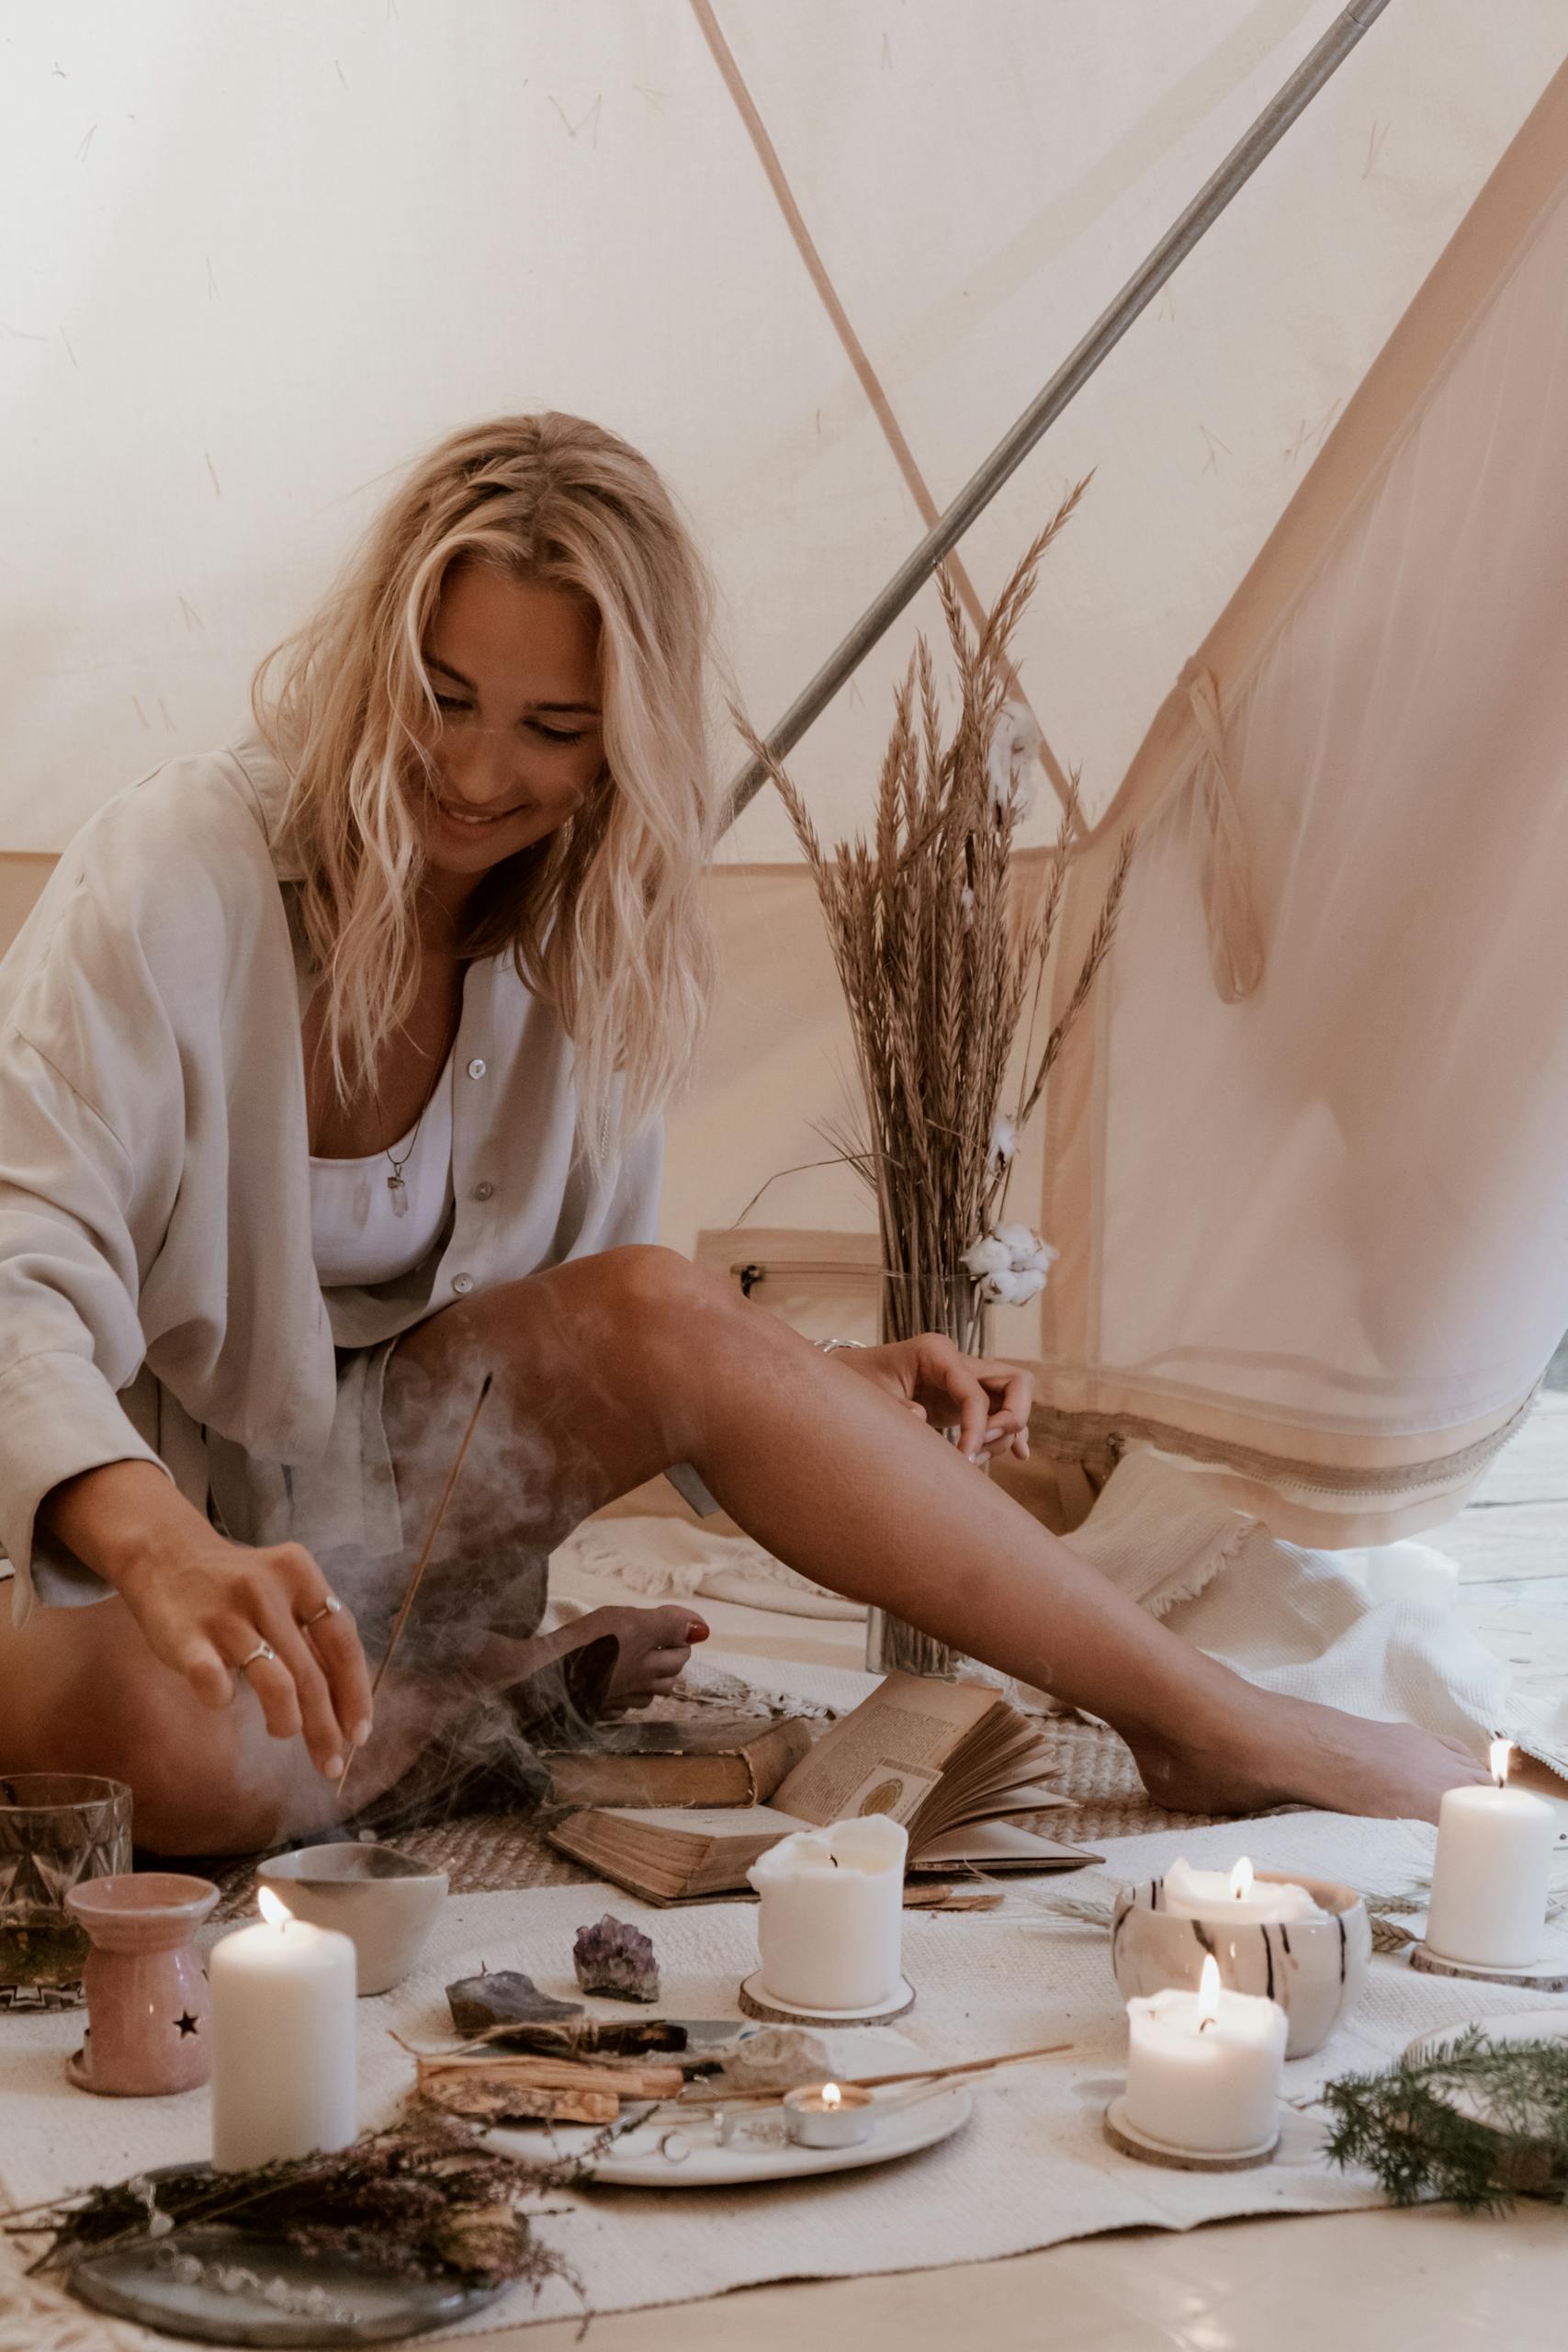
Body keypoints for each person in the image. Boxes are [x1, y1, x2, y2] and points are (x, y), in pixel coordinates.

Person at [0, 413, 1484, 1857]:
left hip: (371, 1512)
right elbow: (14, 1270)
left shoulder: (595, 936)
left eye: (551, 729)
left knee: (664, 1305)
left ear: (620, 745)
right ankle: (478, 1699)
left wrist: (801, 1385)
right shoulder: (176, 870)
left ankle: (1203, 1715)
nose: (472, 771)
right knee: (173, 1763)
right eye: (440, 697)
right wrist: (158, 1547)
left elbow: (587, 1344)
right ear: (373, 662)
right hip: (106, 1531)